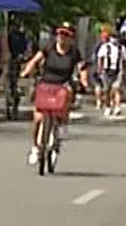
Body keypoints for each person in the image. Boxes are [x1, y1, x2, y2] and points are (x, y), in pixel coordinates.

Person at [20, 23, 88, 166]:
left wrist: (84, 80)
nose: (62, 37)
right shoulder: (49, 48)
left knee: (67, 95)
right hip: (46, 83)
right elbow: (34, 60)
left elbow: (82, 67)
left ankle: (63, 125)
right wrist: (26, 71)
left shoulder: (74, 53)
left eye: (66, 35)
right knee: (38, 119)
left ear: (71, 38)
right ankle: (35, 148)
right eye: (60, 34)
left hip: (63, 84)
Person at [92, 24, 125, 118]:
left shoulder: (121, 48)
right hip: (106, 71)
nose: (114, 39)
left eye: (116, 38)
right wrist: (99, 69)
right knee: (107, 90)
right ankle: (108, 106)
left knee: (116, 89)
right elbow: (100, 58)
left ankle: (117, 107)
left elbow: (125, 60)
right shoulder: (105, 47)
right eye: (113, 37)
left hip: (118, 71)